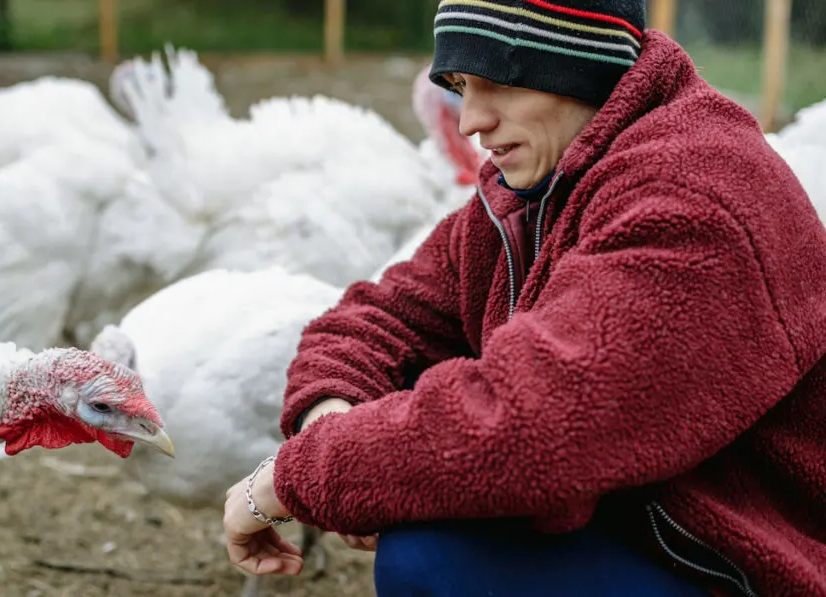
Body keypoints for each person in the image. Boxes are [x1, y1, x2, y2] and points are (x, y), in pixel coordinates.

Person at [222, 0, 826, 595]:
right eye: (461, 85)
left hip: (739, 568)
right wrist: (333, 424)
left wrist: (299, 476)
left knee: (434, 558)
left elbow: (535, 427)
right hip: (643, 531)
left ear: (574, 63)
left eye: (495, 82)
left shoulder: (696, 200)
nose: (470, 121)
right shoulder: (534, 185)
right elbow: (376, 317)